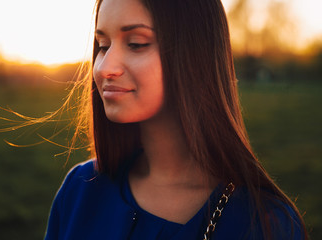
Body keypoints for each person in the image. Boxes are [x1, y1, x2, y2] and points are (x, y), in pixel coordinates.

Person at [44, 0, 308, 239]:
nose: (104, 68)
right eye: (103, 45)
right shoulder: (80, 189)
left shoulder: (265, 225)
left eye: (136, 43)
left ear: (195, 54)